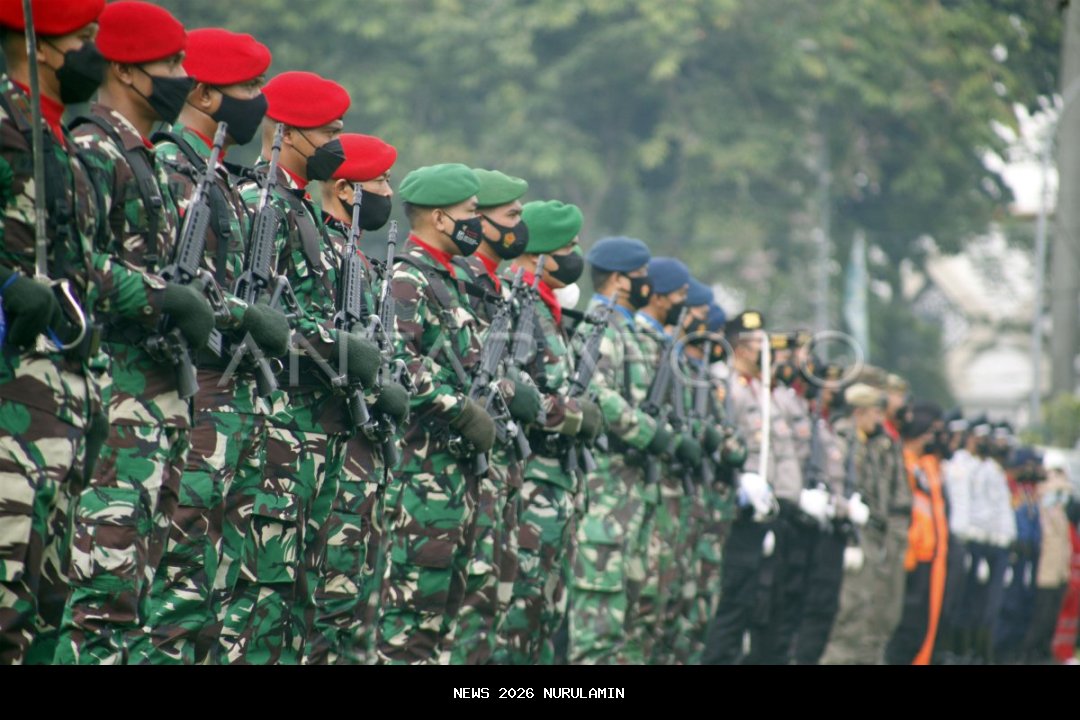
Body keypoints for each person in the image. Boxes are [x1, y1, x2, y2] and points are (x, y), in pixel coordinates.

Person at [56, 1, 218, 665]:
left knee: (137, 604)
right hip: (114, 410)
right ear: (123, 68)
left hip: (156, 411)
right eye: (171, 64)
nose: (183, 76)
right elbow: (72, 270)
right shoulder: (95, 149)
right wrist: (162, 298)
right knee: (98, 602)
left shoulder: (145, 158)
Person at [146, 25, 289, 666]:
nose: (260, 100)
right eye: (248, 88)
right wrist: (243, 315)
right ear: (203, 94)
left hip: (224, 414)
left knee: (211, 603)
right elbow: (177, 288)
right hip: (186, 407)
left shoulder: (220, 179)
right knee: (171, 603)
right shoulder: (173, 167)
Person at [0, 0, 111, 665]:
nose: (99, 54)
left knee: (47, 607)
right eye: (86, 39)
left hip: (64, 405)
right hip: (11, 396)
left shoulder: (60, 140)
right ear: (42, 47)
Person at [375, 163, 495, 665]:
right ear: (442, 219)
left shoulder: (456, 280)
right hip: (420, 481)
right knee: (409, 628)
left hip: (457, 480)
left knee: (444, 625)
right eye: (472, 214)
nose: (479, 224)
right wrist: (461, 410)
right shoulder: (408, 279)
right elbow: (398, 367)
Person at [306, 132, 408, 664]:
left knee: (344, 619)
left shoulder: (362, 263)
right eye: (382, 182)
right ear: (346, 190)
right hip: (312, 450)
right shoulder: (308, 241)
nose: (389, 192)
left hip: (357, 461)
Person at [495, 199, 600, 664]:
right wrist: (578, 414)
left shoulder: (547, 308)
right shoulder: (518, 304)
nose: (576, 256)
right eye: (568, 247)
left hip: (556, 486)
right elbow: (519, 390)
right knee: (517, 619)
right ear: (538, 253)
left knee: (543, 620)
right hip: (530, 480)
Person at [447, 168, 540, 664]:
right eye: (511, 216)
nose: (518, 228)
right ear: (478, 221)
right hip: (460, 467)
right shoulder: (460, 282)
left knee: (492, 612)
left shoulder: (497, 286)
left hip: (500, 469)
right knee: (465, 613)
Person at [568, 236, 668, 664]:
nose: (649, 284)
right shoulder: (600, 324)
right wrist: (650, 433)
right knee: (598, 626)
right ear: (621, 281)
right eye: (642, 276)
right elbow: (598, 394)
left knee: (627, 623)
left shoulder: (626, 329)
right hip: (604, 493)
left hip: (629, 495)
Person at [631, 257, 700, 664]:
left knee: (662, 610)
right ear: (656, 296)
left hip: (662, 491)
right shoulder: (637, 338)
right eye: (678, 297)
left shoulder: (665, 345)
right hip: (635, 485)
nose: (684, 308)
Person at [821, 383, 906, 665]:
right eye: (873, 413)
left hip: (871, 533)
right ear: (859, 412)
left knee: (872, 610)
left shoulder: (872, 441)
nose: (879, 420)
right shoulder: (842, 437)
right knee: (849, 610)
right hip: (851, 534)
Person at [885, 401, 948, 665]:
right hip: (909, 555)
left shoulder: (925, 465)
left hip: (926, 554)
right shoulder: (905, 463)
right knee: (905, 626)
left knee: (918, 625)